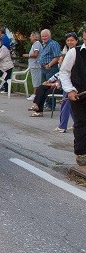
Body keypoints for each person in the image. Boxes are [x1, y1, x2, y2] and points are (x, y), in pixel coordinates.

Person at [59, 28, 86, 165]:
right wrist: (69, 90)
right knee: (81, 123)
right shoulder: (74, 52)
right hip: (79, 95)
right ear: (84, 35)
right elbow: (64, 72)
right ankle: (81, 154)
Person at [55, 32, 78, 132]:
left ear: (77, 41)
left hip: (72, 81)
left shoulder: (78, 52)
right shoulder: (65, 50)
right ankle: (76, 124)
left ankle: (62, 126)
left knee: (66, 103)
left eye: (72, 40)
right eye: (68, 40)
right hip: (64, 79)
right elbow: (62, 69)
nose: (70, 42)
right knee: (70, 104)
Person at [23, 32, 42, 101]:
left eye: (31, 36)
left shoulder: (37, 44)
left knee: (36, 80)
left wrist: (28, 55)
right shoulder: (35, 44)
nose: (30, 37)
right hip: (33, 65)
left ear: (34, 37)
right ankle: (35, 94)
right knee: (34, 80)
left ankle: (35, 95)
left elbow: (36, 54)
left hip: (36, 65)